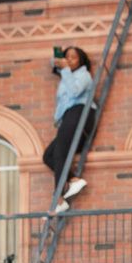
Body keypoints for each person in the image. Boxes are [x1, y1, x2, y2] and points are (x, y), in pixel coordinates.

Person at [43, 46, 94, 214]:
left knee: (59, 153)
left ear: (81, 61)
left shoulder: (84, 75)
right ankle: (73, 179)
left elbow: (75, 92)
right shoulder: (66, 75)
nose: (70, 60)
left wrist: (64, 69)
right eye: (67, 57)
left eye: (74, 57)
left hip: (80, 113)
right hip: (68, 117)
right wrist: (58, 62)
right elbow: (53, 63)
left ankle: (58, 198)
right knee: (48, 155)